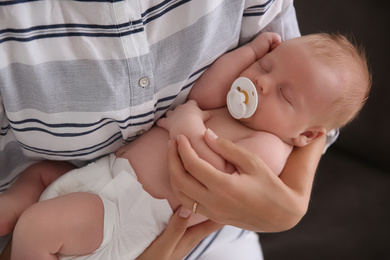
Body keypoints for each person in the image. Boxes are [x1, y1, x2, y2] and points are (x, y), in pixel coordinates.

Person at [0, 1, 337, 259]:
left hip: (130, 215)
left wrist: (186, 123)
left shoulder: (270, 148)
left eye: (283, 94)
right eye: (265, 68)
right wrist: (251, 52)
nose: (262, 84)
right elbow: (203, 94)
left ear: (305, 135)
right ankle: (15, 204)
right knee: (41, 174)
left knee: (38, 227)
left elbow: (204, 168)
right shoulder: (232, 111)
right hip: (106, 178)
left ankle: (25, 228)